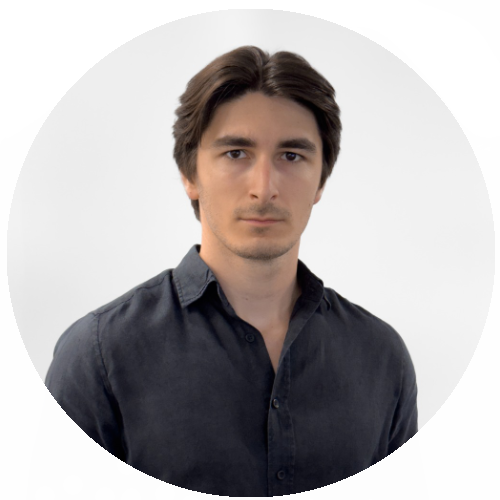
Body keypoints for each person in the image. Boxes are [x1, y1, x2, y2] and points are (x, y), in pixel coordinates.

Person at [26, 46, 429, 499]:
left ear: (321, 180)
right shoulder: (100, 356)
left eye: (291, 155)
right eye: (236, 153)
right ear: (190, 174)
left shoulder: (379, 357)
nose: (264, 188)